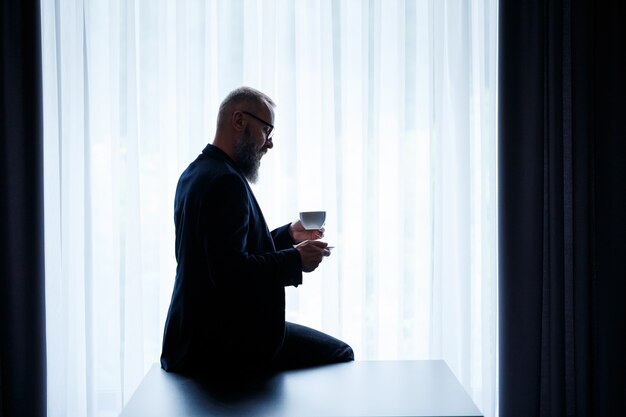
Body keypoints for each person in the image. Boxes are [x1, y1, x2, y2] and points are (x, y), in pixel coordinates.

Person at [160, 86, 354, 377]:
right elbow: (231, 273)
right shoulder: (226, 182)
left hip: (193, 335)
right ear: (239, 121)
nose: (270, 143)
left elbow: (222, 254)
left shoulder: (195, 173)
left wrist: (289, 235)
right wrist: (295, 260)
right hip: (221, 342)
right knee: (342, 354)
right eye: (267, 130)